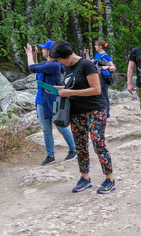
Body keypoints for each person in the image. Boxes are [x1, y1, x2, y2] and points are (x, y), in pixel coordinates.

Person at [49, 40, 115, 194]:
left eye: (58, 59)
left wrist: (70, 92)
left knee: (98, 144)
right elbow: (72, 86)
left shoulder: (86, 65)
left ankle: (109, 179)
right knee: (80, 146)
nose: (59, 62)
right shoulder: (68, 67)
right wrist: (56, 89)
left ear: (65, 56)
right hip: (76, 112)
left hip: (94, 110)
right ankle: (85, 177)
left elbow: (96, 89)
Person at [25, 41, 77, 165]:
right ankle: (50, 155)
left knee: (60, 126)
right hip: (41, 100)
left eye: (44, 48)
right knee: (46, 129)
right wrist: (34, 55)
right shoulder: (47, 64)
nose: (42, 49)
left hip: (52, 100)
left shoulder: (54, 65)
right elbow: (38, 69)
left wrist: (28, 55)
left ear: (49, 51)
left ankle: (73, 150)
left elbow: (32, 68)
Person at [87, 39, 116, 117]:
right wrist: (86, 54)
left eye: (96, 45)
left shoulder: (105, 55)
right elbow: (90, 62)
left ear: (100, 46)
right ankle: (101, 111)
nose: (95, 46)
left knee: (104, 94)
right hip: (97, 77)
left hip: (103, 78)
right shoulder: (97, 55)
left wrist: (106, 67)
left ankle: (107, 113)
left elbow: (113, 67)